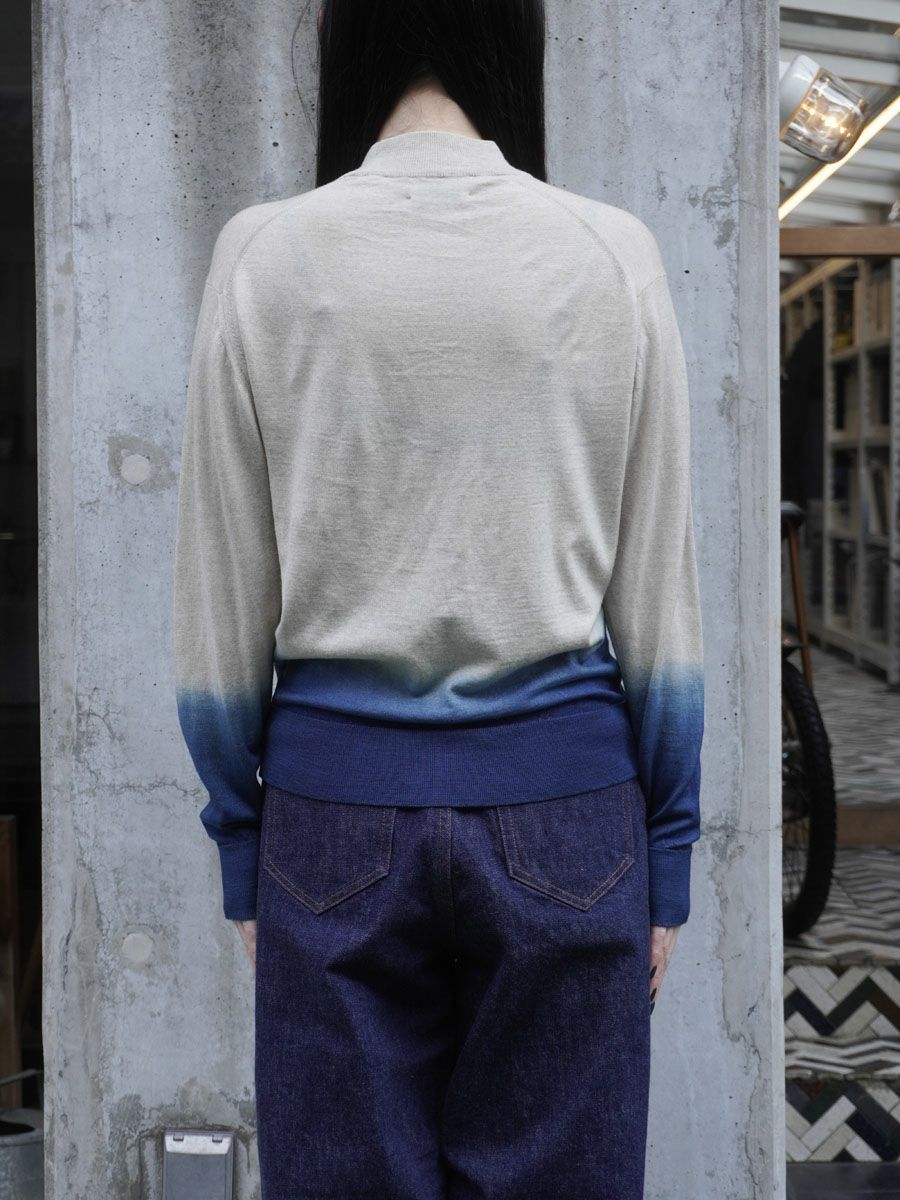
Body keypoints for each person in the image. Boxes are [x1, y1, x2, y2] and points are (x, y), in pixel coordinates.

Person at [172, 1, 705, 1196]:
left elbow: (217, 611)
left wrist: (244, 844)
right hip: (571, 816)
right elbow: (661, 602)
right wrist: (665, 853)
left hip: (330, 820)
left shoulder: (264, 254)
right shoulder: (610, 252)